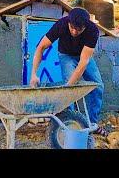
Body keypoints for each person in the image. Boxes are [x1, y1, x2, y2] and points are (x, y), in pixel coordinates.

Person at [30, 8, 108, 136]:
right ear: (68, 22)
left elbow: (83, 62)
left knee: (98, 86)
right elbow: (41, 47)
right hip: (66, 55)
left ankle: (92, 125)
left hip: (83, 57)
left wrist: (69, 86)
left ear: (85, 26)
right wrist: (33, 74)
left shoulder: (92, 30)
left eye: (79, 29)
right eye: (72, 27)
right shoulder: (61, 24)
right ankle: (70, 125)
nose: (74, 31)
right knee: (69, 91)